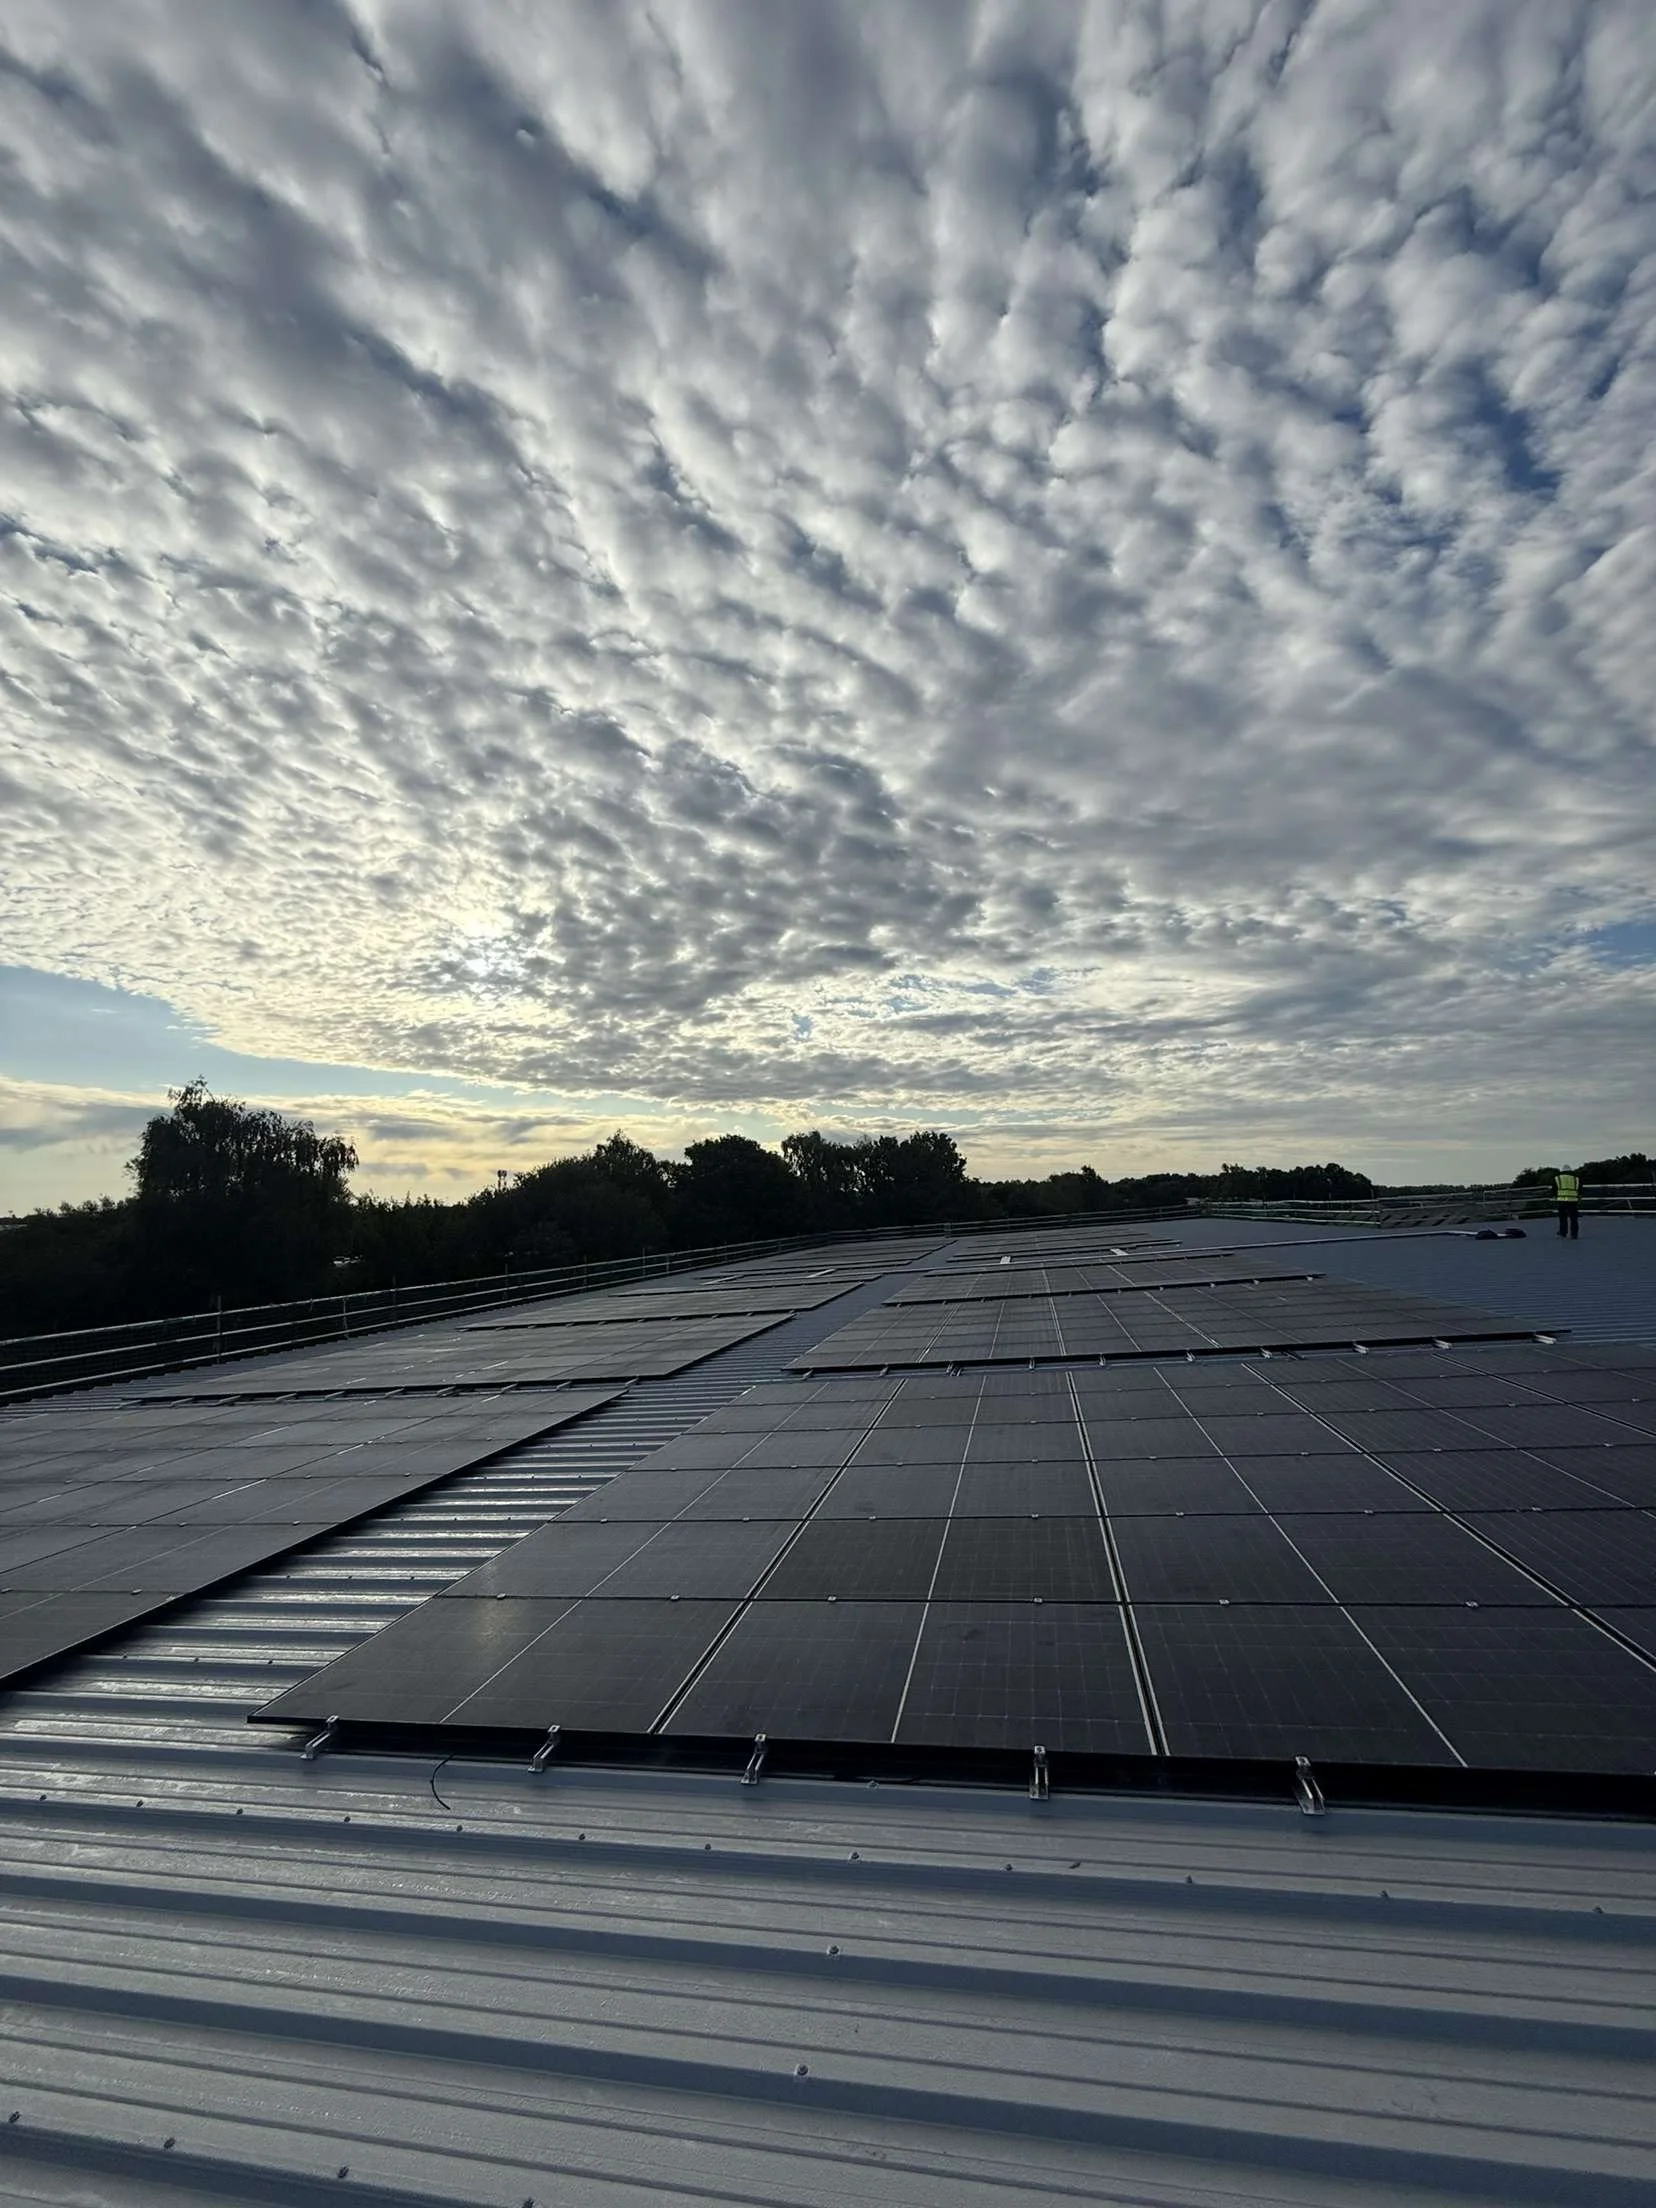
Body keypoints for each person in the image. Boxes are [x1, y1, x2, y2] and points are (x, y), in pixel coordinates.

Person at [1554, 1166, 1581, 1239]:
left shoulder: (1558, 1178)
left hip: (1562, 1200)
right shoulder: (1576, 1179)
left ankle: (1563, 1232)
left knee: (1563, 1217)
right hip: (1573, 1200)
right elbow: (1580, 1189)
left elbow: (1554, 1189)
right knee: (1574, 1218)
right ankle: (1574, 1234)